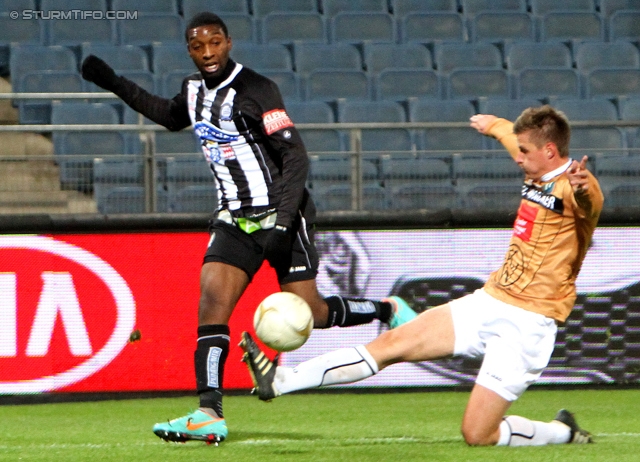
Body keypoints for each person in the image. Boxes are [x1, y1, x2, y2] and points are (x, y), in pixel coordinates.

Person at [80, 12, 416, 445]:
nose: (207, 53)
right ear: (189, 49)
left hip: (283, 215)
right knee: (212, 304)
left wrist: (282, 220)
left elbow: (297, 159)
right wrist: (113, 81)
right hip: (234, 219)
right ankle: (208, 412)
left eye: (215, 43)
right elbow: (167, 114)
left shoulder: (258, 91)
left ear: (228, 43)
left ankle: (387, 309)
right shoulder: (193, 90)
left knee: (312, 314)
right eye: (198, 46)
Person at [241, 105, 605, 447]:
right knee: (391, 345)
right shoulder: (535, 163)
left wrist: (583, 189)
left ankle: (560, 432)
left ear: (551, 151)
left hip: (529, 324)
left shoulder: (576, 187)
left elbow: (588, 204)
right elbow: (512, 136)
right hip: (489, 302)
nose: (518, 157)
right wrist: (492, 125)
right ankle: (283, 380)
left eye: (525, 151)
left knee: (478, 434)